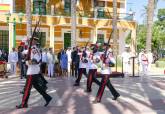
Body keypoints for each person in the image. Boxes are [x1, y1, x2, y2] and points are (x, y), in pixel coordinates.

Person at [16, 37, 52, 108]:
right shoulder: (32, 49)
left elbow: (36, 61)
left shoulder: (34, 49)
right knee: (37, 87)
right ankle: (47, 98)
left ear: (33, 42)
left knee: (27, 89)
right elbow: (24, 53)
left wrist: (27, 62)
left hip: (31, 72)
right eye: (29, 41)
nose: (28, 42)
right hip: (34, 71)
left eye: (30, 41)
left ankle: (24, 104)